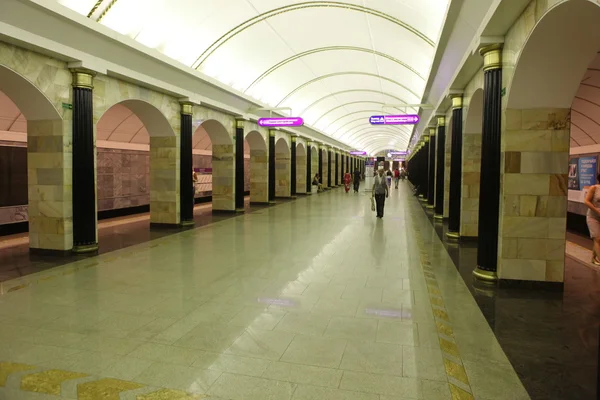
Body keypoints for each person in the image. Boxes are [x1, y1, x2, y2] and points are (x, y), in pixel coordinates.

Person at [585, 174, 600, 265]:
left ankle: (593, 258)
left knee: (598, 239)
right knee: (598, 238)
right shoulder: (594, 188)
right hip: (593, 217)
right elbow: (586, 201)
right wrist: (597, 210)